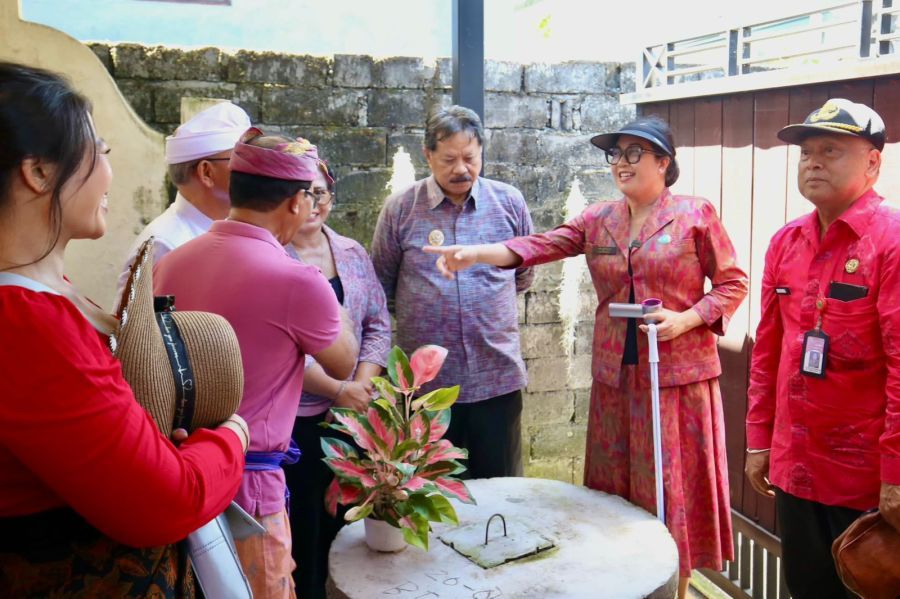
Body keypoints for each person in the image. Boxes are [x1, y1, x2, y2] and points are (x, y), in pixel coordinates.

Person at [424, 116, 748, 599]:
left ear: (664, 162)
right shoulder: (598, 219)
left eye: (634, 153)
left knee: (673, 485)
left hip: (678, 378)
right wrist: (476, 253)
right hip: (617, 378)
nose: (621, 163)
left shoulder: (694, 214)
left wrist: (687, 319)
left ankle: (674, 588)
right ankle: (626, 582)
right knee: (615, 487)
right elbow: (540, 245)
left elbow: (732, 283)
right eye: (616, 154)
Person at [0, 61, 248, 596]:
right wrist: (231, 438)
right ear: (38, 172)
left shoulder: (43, 293)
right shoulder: (24, 321)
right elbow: (166, 502)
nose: (110, 173)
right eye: (101, 151)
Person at [154, 129, 359, 599]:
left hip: (183, 475)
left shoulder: (172, 263)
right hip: (250, 491)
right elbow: (344, 361)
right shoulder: (297, 279)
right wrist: (320, 283)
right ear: (297, 202)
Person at [745, 98, 900, 599]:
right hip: (796, 467)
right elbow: (768, 352)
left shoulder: (892, 241)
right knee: (807, 588)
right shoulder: (786, 241)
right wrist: (759, 442)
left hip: (867, 483)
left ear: (872, 162)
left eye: (830, 150)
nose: (813, 162)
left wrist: (896, 474)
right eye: (806, 152)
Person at [371, 105, 534, 479]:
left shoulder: (509, 202)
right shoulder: (400, 209)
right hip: (426, 387)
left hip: (496, 377)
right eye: (448, 159)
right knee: (430, 492)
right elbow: (381, 286)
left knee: (502, 490)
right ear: (427, 155)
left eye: (470, 158)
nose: (461, 169)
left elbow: (524, 274)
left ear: (482, 152)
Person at [281, 159, 391, 598]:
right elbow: (279, 347)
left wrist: (359, 388)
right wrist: (337, 390)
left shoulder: (352, 252)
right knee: (303, 532)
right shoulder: (272, 257)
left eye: (320, 193)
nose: (312, 203)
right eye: (301, 193)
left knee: (347, 526)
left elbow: (377, 322)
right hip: (294, 422)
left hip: (352, 417)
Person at [115, 100, 250, 303]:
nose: (253, 170)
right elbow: (138, 322)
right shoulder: (165, 244)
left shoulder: (237, 229)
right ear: (206, 172)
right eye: (241, 160)